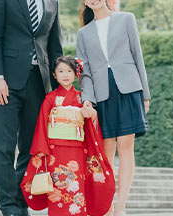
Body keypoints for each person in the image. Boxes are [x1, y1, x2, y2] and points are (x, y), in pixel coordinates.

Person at [0, 0, 64, 216]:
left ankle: (20, 203)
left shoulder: (52, 4)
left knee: (31, 149)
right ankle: (8, 207)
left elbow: (55, 51)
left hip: (38, 85)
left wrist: (60, 93)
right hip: (6, 83)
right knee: (4, 147)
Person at [75, 0, 151, 216]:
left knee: (126, 148)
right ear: (84, 2)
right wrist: (87, 99)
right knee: (106, 152)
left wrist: (145, 95)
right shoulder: (83, 34)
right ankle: (106, 205)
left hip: (129, 89)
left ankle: (121, 205)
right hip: (101, 95)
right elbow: (84, 72)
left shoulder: (126, 19)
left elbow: (138, 57)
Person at [21, 56, 115, 216]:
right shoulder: (50, 99)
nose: (65, 74)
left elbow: (90, 125)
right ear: (54, 75)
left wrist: (91, 115)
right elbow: (42, 124)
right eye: (61, 71)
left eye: (69, 71)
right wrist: (42, 149)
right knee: (57, 189)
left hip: (76, 151)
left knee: (76, 188)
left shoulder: (82, 99)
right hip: (54, 151)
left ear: (76, 74)